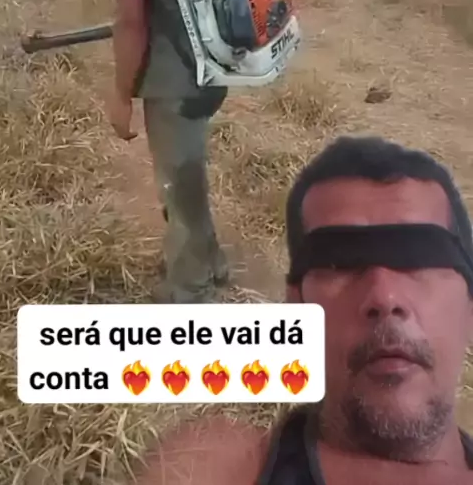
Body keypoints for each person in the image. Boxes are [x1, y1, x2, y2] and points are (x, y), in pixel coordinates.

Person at [133, 135, 473, 483]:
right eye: (339, 263)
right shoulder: (216, 469)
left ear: (470, 307)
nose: (384, 296)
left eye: (418, 258)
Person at [87, 0, 228, 304]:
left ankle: (190, 289)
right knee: (189, 170)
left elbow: (131, 20)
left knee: (177, 180)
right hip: (210, 64)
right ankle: (210, 260)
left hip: (170, 76)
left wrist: (121, 94)